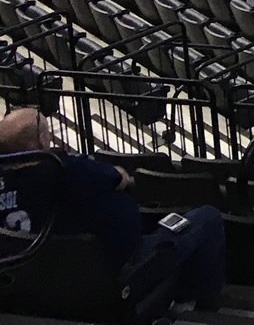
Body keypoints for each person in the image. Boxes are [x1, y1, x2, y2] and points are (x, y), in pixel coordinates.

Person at [0, 105, 226, 310]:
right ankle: (198, 312)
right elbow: (119, 177)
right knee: (207, 218)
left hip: (45, 283)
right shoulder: (65, 170)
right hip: (122, 274)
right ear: (41, 141)